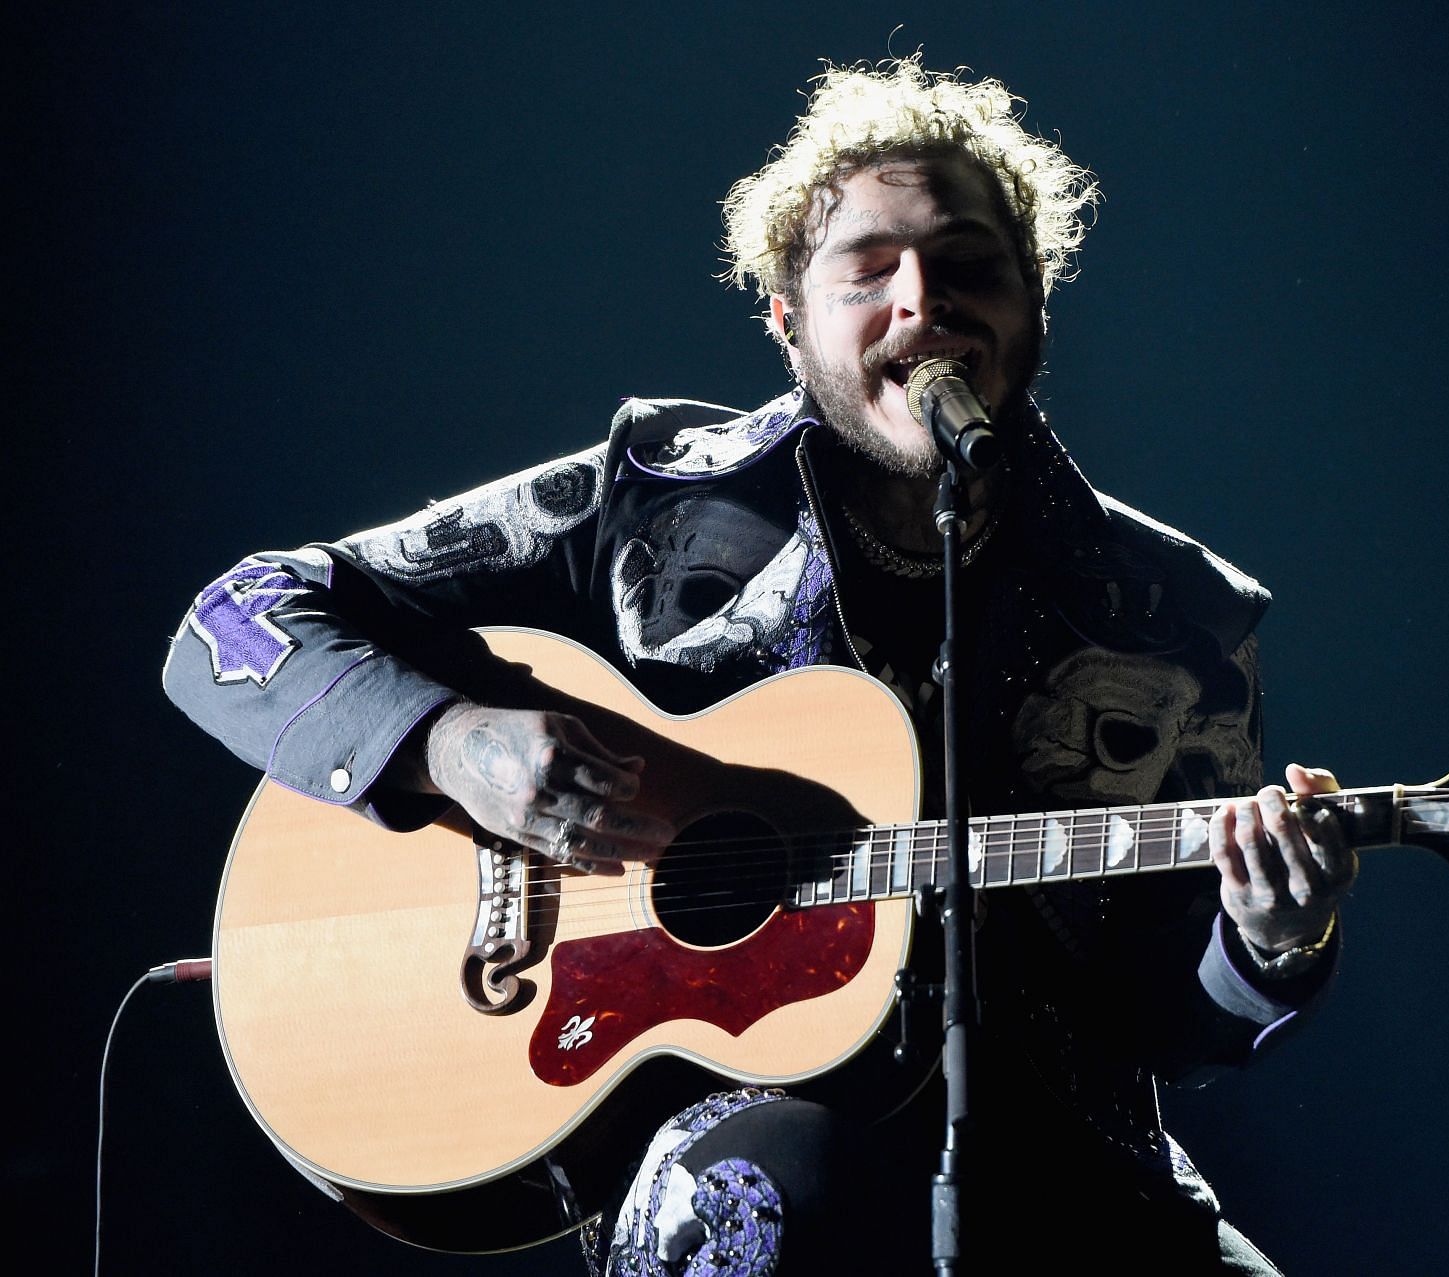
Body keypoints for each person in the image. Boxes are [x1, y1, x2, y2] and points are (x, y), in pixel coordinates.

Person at [164, 58, 1357, 1276]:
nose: (922, 302)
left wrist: (1270, 939)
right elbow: (236, 620)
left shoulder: (1179, 615)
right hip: (743, 1154)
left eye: (967, 266)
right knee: (776, 1191)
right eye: (870, 268)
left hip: (1070, 1165)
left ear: (1035, 300)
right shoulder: (646, 499)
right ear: (787, 318)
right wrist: (455, 744)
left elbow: (1167, 1010)